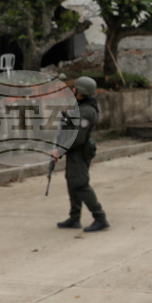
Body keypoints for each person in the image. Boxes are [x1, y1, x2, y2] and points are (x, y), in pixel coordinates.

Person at [54, 76, 109, 233]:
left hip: (79, 151)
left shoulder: (86, 111)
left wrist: (59, 150)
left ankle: (100, 218)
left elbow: (77, 138)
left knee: (80, 183)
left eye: (75, 88)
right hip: (75, 151)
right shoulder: (81, 107)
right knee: (72, 182)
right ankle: (74, 218)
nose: (73, 90)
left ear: (80, 91)